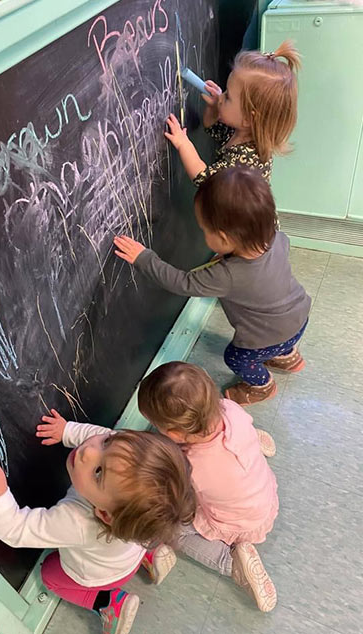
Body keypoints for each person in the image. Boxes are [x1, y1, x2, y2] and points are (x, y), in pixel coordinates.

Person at [0, 410, 195, 634]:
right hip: (130, 552)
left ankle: (110, 602)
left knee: (51, 575)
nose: (87, 451)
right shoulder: (125, 483)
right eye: (107, 444)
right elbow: (98, 434)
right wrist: (67, 431)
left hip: (103, 574)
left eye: (98, 472)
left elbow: (14, 529)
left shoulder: (78, 521)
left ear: (104, 515)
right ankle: (151, 553)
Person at [114, 167, 311, 406]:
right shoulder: (277, 238)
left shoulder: (225, 276)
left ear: (225, 239)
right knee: (283, 339)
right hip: (299, 316)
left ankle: (262, 386)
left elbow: (182, 283)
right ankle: (288, 357)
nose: (202, 232)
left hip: (268, 336)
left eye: (204, 230)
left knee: (237, 358)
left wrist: (143, 258)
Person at [138, 361, 278, 612]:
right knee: (232, 464)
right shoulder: (231, 409)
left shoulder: (190, 465)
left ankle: (230, 563)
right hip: (263, 496)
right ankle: (250, 438)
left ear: (176, 435)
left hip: (237, 521)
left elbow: (181, 504)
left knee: (174, 531)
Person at [165, 40, 301, 184]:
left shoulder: (244, 163)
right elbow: (212, 128)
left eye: (227, 96)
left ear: (249, 118)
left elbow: (205, 180)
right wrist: (214, 107)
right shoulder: (243, 131)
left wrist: (183, 144)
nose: (221, 97)